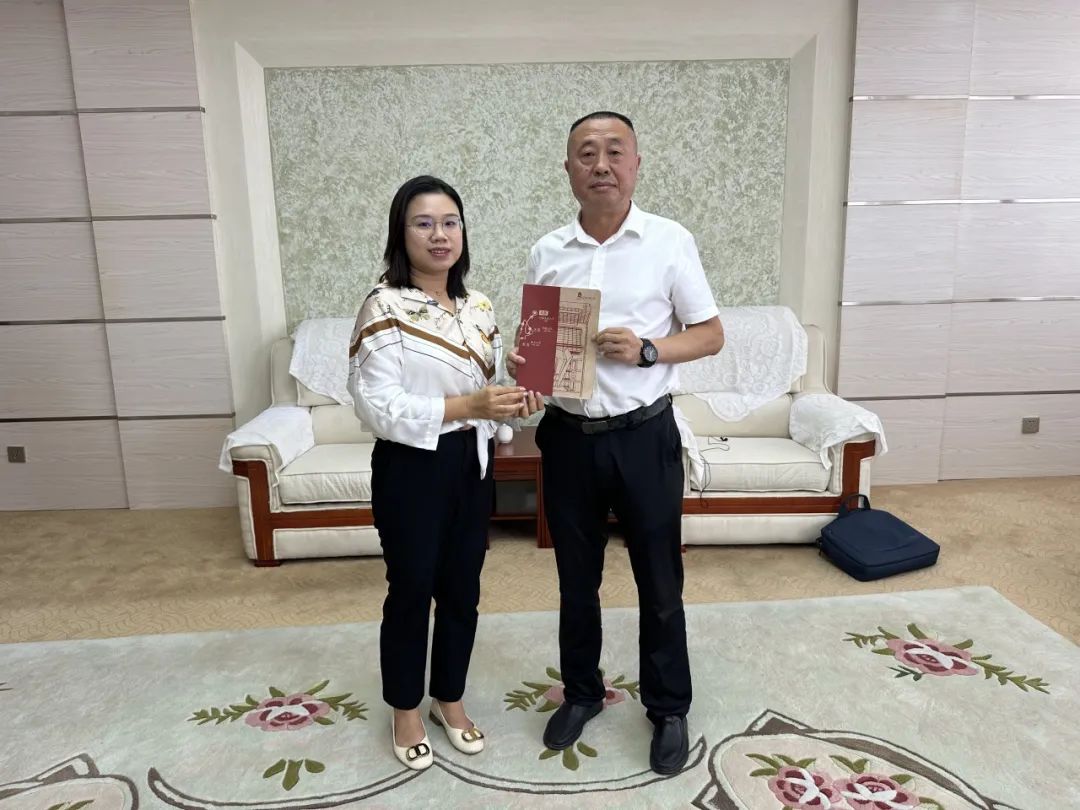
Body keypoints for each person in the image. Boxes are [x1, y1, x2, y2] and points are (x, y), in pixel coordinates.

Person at [506, 112, 725, 775]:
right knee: (577, 580)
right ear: (568, 169)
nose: (600, 164)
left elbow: (710, 333)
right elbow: (541, 349)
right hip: (567, 438)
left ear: (635, 163)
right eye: (585, 154)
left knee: (659, 581)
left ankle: (668, 707)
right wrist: (525, 367)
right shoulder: (548, 250)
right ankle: (581, 693)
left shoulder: (669, 241)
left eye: (613, 152)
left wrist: (648, 348)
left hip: (643, 436)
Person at [348, 175, 542, 770]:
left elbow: (486, 388)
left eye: (450, 222)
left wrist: (514, 393)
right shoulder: (384, 305)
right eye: (424, 223)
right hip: (411, 466)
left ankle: (448, 699)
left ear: (463, 232)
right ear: (401, 233)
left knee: (463, 590)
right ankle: (405, 709)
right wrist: (469, 406)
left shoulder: (479, 306)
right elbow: (375, 404)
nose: (440, 235)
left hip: (471, 464)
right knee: (411, 591)